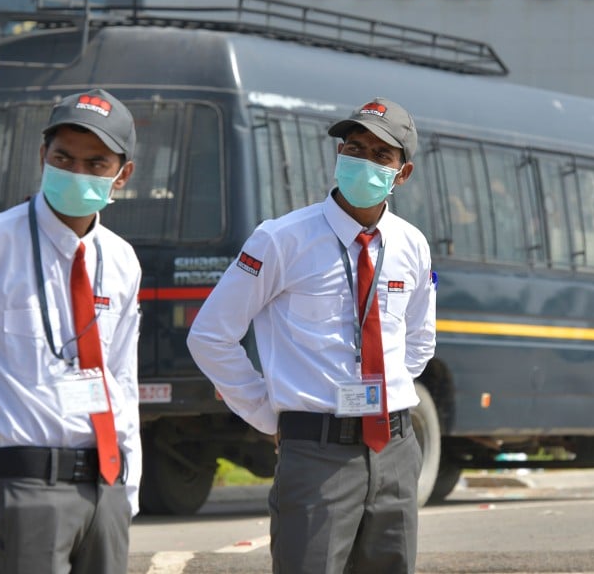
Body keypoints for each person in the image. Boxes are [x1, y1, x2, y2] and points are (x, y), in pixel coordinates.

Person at [187, 96, 437, 574]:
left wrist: (383, 398)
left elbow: (419, 340)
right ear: (339, 154)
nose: (363, 161)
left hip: (395, 450)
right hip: (317, 454)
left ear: (402, 174)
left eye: (381, 155)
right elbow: (210, 336)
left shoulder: (412, 244)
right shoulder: (281, 239)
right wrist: (267, 414)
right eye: (354, 148)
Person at [0, 89, 143, 574]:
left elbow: (122, 378)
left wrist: (129, 487)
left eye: (95, 163)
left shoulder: (121, 259)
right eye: (63, 158)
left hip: (107, 488)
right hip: (27, 487)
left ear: (122, 175)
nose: (76, 172)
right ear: (42, 156)